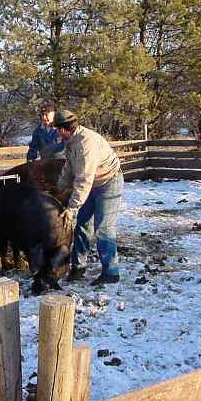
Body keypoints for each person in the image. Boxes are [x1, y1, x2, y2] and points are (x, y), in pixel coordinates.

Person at [52, 109, 124, 286]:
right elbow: (69, 169)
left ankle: (111, 272)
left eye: (57, 129)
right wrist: (58, 190)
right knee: (83, 225)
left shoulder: (86, 144)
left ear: (63, 129)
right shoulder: (70, 141)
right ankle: (79, 267)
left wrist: (71, 208)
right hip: (92, 183)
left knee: (104, 228)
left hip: (108, 182)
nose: (56, 133)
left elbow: (83, 180)